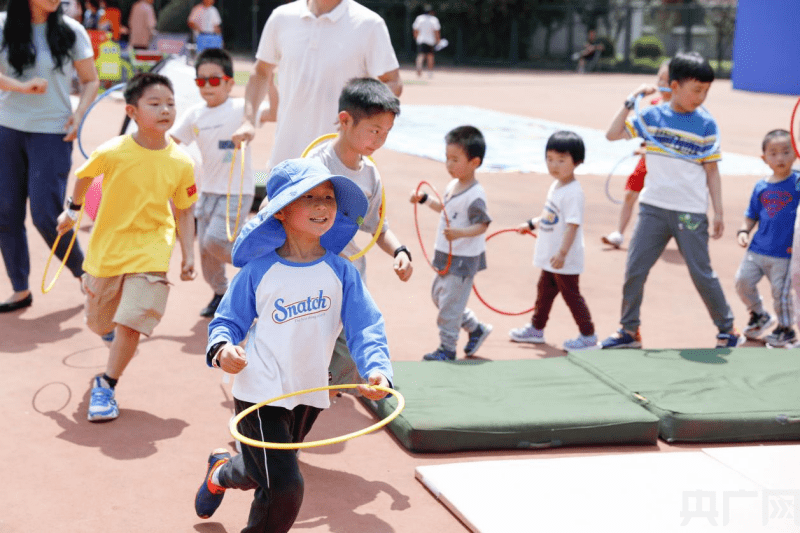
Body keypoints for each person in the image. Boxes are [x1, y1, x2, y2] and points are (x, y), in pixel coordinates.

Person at [193, 158, 393, 531]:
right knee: (285, 487)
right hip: (260, 391)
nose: (322, 206)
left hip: (309, 389)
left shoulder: (341, 270)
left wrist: (377, 370)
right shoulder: (258, 270)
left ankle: (220, 471)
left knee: (259, 472)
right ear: (283, 210)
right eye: (310, 197)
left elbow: (366, 326)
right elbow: (227, 321)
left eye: (329, 197)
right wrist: (224, 349)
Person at [56, 72, 197, 422]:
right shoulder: (113, 151)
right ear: (132, 111)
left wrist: (188, 254)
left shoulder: (181, 161)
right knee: (98, 321)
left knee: (133, 321)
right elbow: (84, 177)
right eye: (155, 103)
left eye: (170, 103)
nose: (165, 109)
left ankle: (107, 383)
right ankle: (111, 332)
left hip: (152, 248)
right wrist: (72, 212)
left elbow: (183, 209)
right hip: (108, 249)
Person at [600, 51, 742, 349]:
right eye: (696, 90)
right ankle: (629, 331)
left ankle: (727, 329)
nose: (701, 97)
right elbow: (612, 134)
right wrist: (630, 100)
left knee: (701, 272)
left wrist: (718, 212)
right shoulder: (652, 116)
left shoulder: (706, 124)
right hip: (653, 208)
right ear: (673, 86)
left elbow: (712, 171)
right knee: (635, 268)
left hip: (690, 212)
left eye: (706, 91)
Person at [306, 77, 412, 387]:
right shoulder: (315, 166)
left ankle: (333, 388)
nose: (380, 140)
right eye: (374, 131)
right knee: (308, 331)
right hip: (311, 268)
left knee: (352, 333)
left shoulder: (370, 176)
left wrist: (400, 251)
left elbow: (379, 227)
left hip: (348, 270)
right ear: (345, 121)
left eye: (387, 133)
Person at [0, 0, 99, 313]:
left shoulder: (71, 30)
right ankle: (20, 289)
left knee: (46, 212)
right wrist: (23, 86)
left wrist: (79, 114)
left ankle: (84, 273)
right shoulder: (3, 24)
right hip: (6, 128)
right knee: (5, 212)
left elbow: (91, 79)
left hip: (53, 132)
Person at [231, 0, 403, 175]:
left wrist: (362, 112)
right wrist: (248, 121)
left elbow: (393, 81)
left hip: (339, 167)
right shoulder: (281, 17)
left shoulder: (369, 24)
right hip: (285, 162)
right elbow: (261, 72)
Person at [170, 48, 254, 318]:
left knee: (214, 241)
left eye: (214, 80)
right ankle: (221, 293)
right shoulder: (195, 114)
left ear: (230, 82)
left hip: (236, 190)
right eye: (201, 80)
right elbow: (171, 142)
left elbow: (274, 111)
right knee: (207, 254)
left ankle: (263, 265)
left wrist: (266, 75)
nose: (207, 85)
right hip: (207, 190)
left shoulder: (242, 108)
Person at [509, 131, 598, 351]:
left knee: (571, 295)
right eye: (549, 159)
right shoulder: (557, 186)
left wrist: (562, 253)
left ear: (577, 161)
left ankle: (588, 335)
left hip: (562, 259)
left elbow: (572, 225)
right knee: (544, 291)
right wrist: (532, 223)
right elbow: (552, 216)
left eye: (561, 160)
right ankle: (536, 329)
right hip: (552, 258)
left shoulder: (573, 192)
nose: (553, 165)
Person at [410, 125, 493, 361]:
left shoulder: (475, 195)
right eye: (447, 158)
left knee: (448, 306)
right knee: (439, 297)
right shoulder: (452, 186)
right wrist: (425, 199)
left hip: (463, 259)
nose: (449, 164)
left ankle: (447, 348)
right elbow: (445, 210)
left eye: (455, 159)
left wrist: (460, 233)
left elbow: (483, 224)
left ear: (474, 162)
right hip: (445, 254)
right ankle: (475, 328)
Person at [735, 129, 799, 347]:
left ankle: (786, 328)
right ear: (764, 158)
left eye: (785, 152)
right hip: (756, 250)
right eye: (773, 153)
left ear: (795, 154)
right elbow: (751, 215)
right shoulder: (761, 187)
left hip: (785, 253)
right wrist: (743, 231)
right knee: (742, 282)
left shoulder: (798, 182)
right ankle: (759, 314)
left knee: (780, 293)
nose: (780, 158)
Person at [602, 59, 672, 249]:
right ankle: (619, 233)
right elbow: (613, 134)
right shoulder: (653, 107)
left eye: (667, 80)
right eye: (660, 79)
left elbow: (672, 144)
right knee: (630, 194)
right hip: (646, 162)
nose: (661, 85)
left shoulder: (684, 114)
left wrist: (647, 149)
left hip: (667, 169)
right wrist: (633, 97)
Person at [413, 4, 440, 78]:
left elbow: (415, 29)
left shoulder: (419, 18)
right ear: (431, 12)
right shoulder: (434, 19)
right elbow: (436, 31)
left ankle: (419, 68)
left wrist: (416, 37)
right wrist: (438, 40)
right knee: (430, 57)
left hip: (421, 40)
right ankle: (430, 72)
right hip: (430, 41)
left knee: (420, 55)